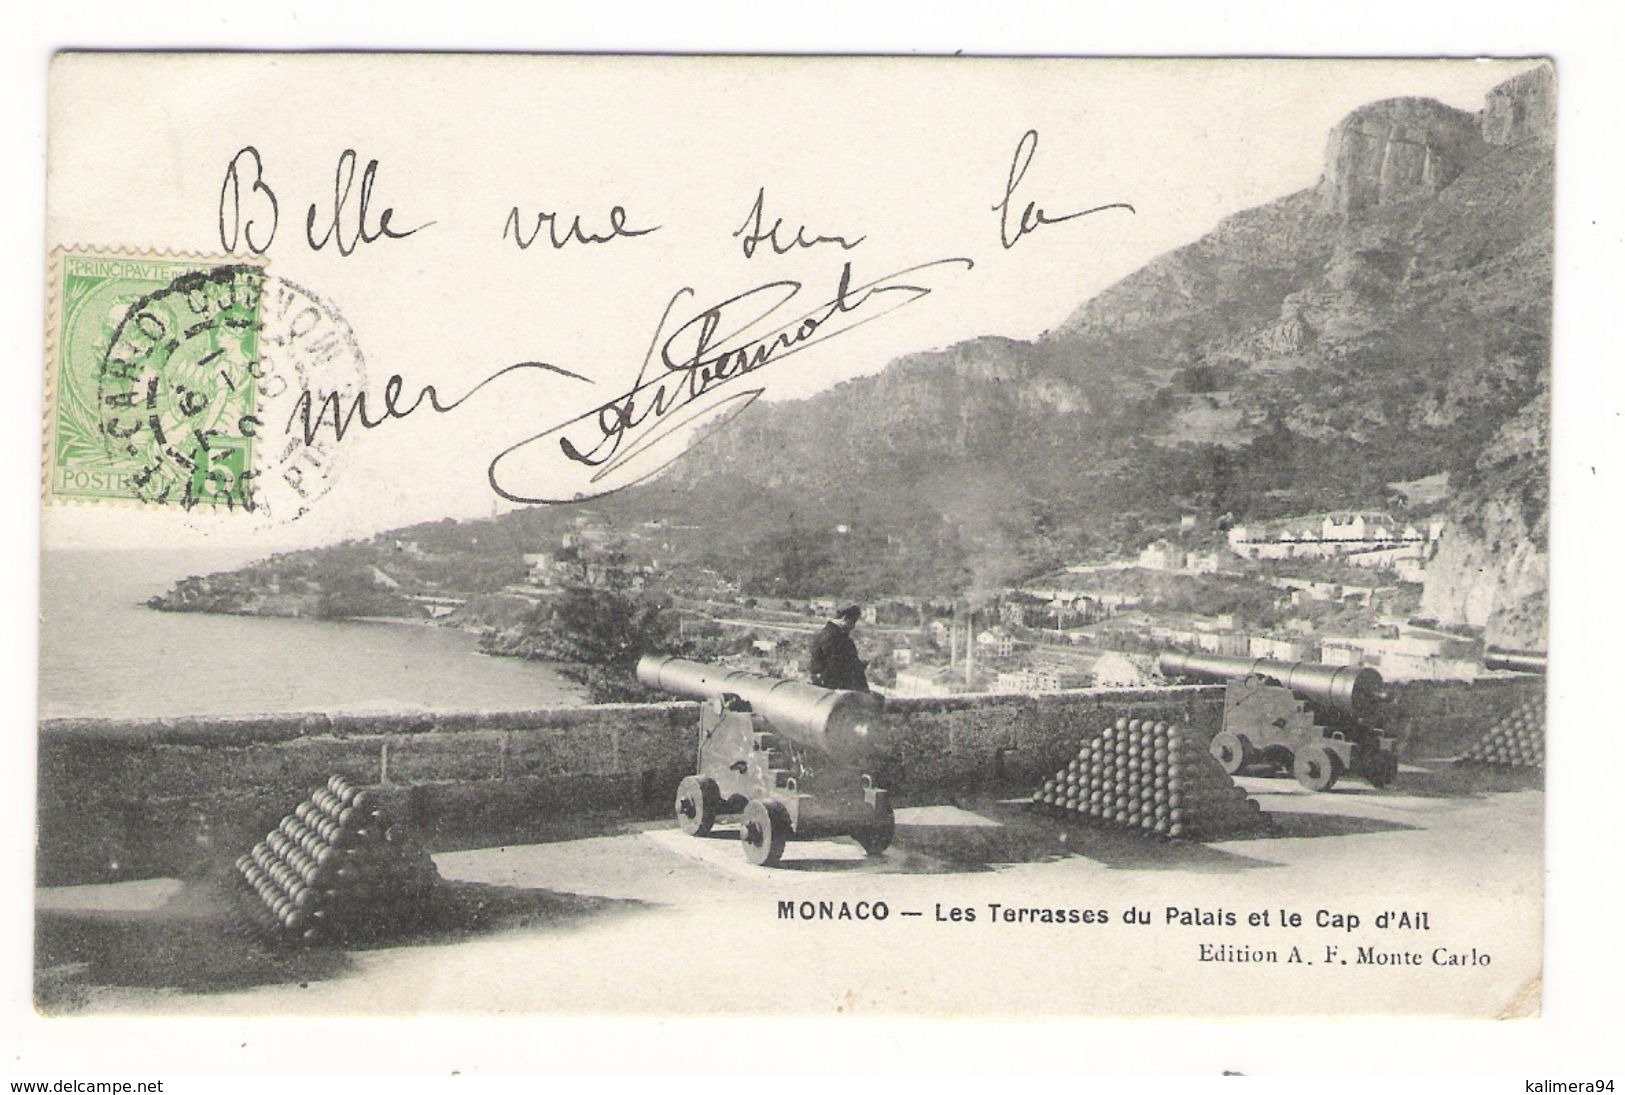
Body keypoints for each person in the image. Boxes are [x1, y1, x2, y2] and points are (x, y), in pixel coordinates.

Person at [808, 604, 870, 692]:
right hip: (836, 690)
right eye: (852, 622)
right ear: (844, 618)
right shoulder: (839, 640)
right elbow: (839, 668)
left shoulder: (822, 635)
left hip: (821, 689)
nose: (853, 627)